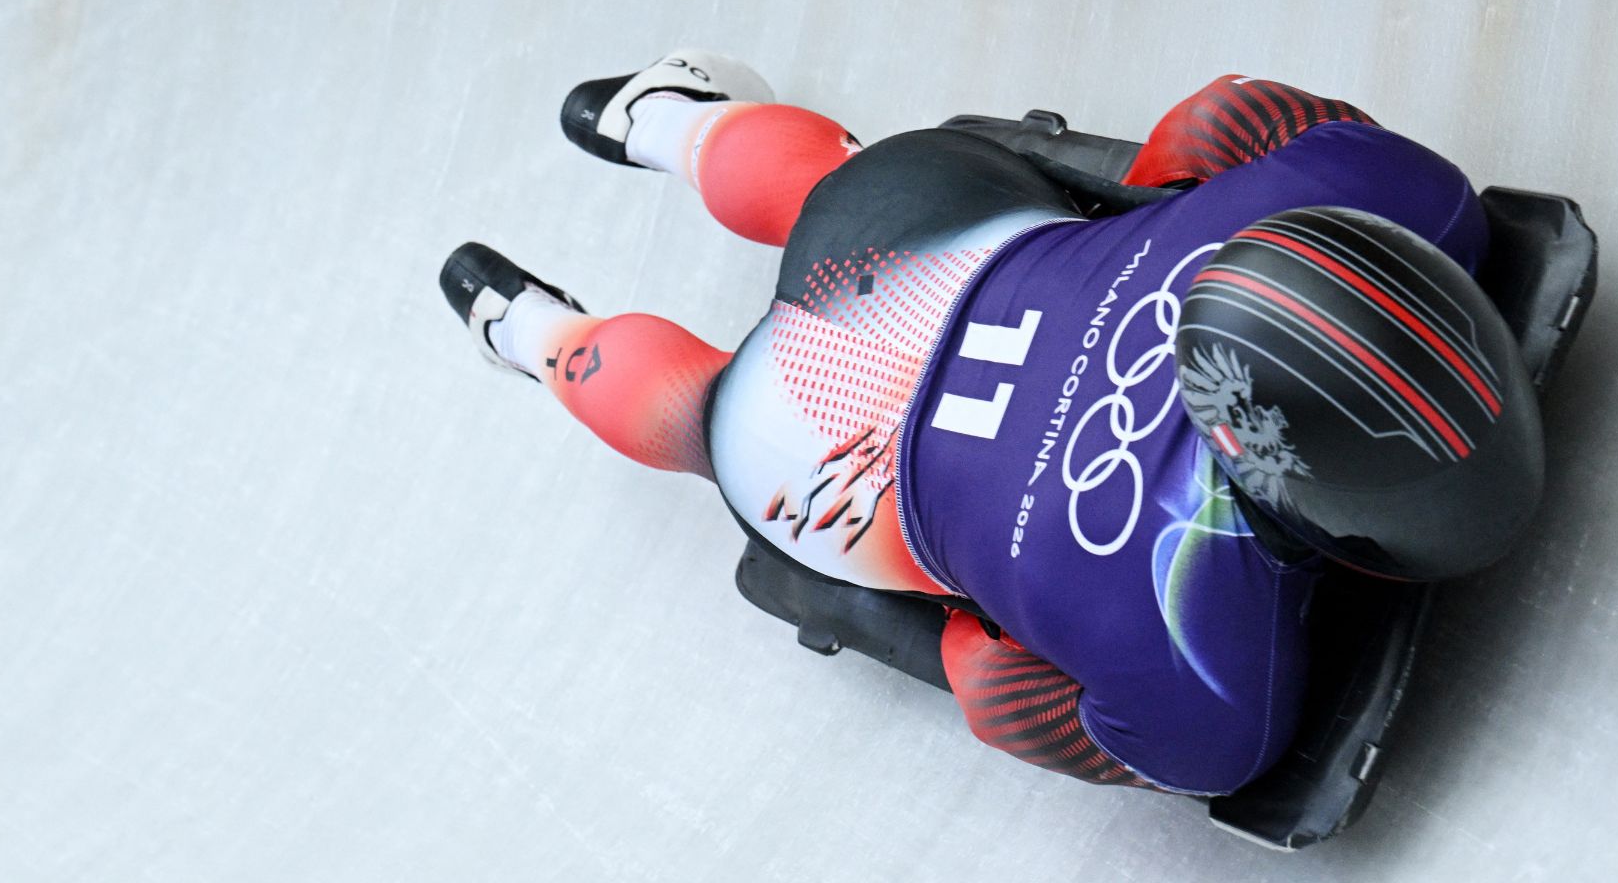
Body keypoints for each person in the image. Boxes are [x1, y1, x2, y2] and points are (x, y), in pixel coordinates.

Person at [439, 51, 1541, 795]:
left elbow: (1221, 120)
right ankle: (538, 332)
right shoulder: (1201, 678)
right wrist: (984, 608)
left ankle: (661, 139)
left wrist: (1157, 196)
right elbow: (998, 693)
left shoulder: (1397, 190)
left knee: (823, 197)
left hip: (924, 238)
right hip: (845, 467)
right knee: (702, 415)